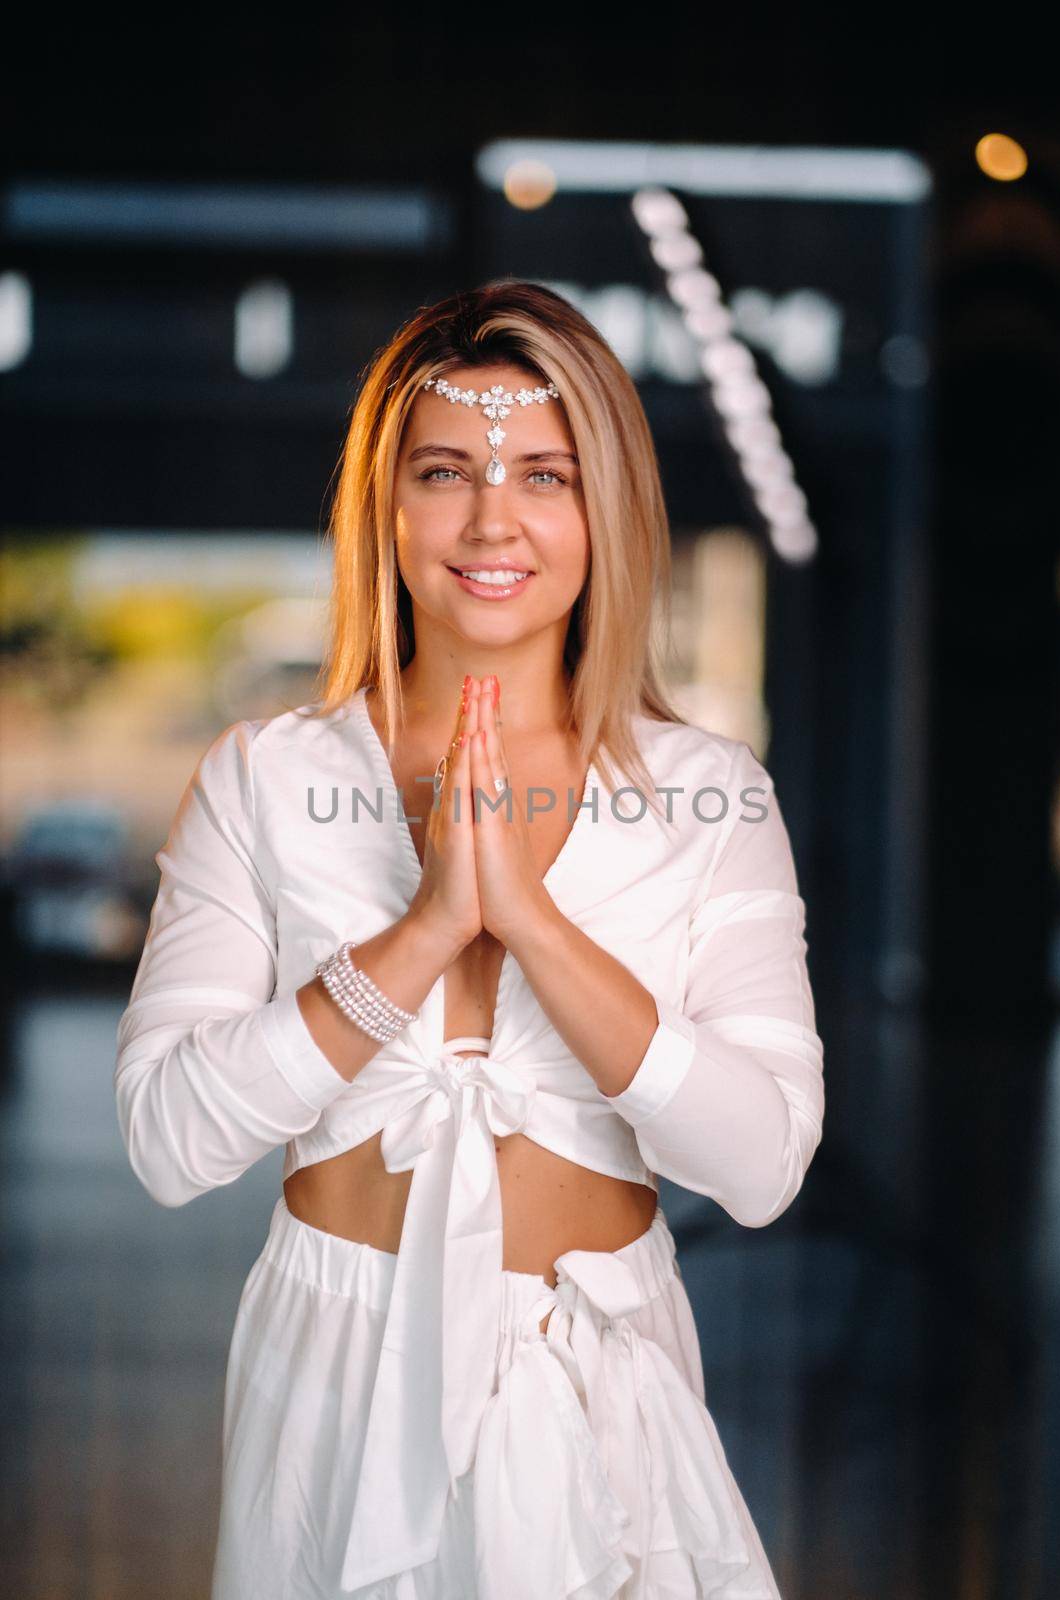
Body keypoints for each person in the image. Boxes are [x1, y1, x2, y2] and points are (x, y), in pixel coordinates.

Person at [114, 279, 825, 1600]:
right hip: (333, 1370)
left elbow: (765, 1161)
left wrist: (535, 926)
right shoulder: (265, 776)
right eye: (447, 469)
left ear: (603, 510)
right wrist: (426, 931)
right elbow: (167, 1141)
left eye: (545, 474)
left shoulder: (710, 792)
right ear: (384, 507)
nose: (494, 518)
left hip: (601, 1380)